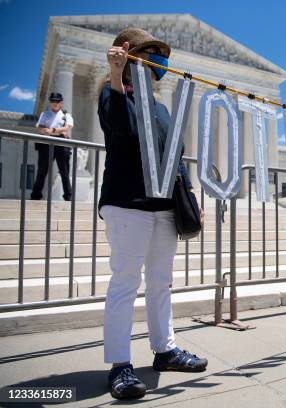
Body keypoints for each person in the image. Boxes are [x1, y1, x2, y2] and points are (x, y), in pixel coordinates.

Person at [99, 28, 206, 400]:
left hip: (164, 206)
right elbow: (120, 128)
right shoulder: (113, 95)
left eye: (157, 59)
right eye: (147, 56)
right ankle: (120, 365)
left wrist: (190, 191)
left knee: (161, 282)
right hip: (127, 202)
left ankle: (165, 350)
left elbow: (174, 151)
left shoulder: (160, 109)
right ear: (131, 57)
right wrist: (115, 75)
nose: (154, 65)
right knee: (125, 283)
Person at [31, 92, 74, 201]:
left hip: (61, 144)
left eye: (57, 101)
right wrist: (56, 131)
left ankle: (68, 196)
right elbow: (40, 128)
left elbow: (66, 129)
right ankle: (36, 195)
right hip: (46, 144)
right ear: (50, 102)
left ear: (61, 102)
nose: (55, 103)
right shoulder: (45, 114)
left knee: (64, 171)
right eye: (53, 101)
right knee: (42, 170)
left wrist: (52, 130)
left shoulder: (66, 115)